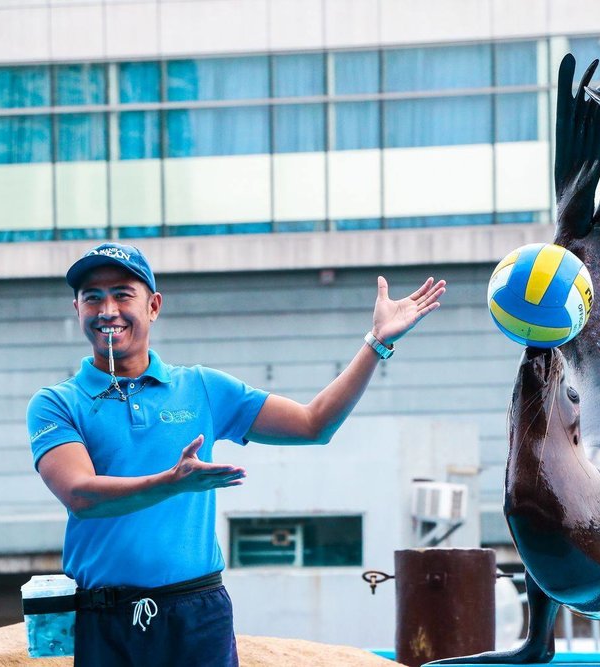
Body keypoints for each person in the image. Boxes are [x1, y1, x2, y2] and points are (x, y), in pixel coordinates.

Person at [26, 242, 445, 666]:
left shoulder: (202, 388)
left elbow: (314, 424)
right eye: (92, 298)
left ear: (153, 306)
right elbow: (80, 495)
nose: (107, 310)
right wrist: (170, 483)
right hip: (105, 619)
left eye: (122, 294)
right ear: (77, 309)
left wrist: (376, 343)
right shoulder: (57, 403)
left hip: (196, 612)